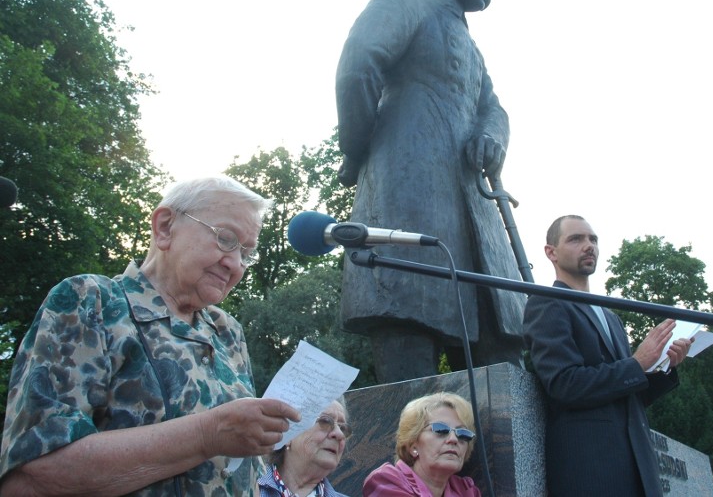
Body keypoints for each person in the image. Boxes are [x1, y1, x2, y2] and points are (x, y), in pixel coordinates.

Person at [0, 176, 301, 496]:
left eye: (247, 253)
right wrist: (209, 434)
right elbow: (31, 479)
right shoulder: (94, 301)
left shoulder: (227, 332)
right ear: (165, 227)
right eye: (226, 239)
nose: (235, 264)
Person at [335, 0, 525, 382]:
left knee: (502, 365)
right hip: (409, 199)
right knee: (408, 338)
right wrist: (358, 149)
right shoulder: (405, 0)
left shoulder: (474, 51)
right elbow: (358, 66)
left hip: (476, 221)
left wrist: (491, 135)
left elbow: (493, 108)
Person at [523, 214, 693, 496]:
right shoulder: (547, 304)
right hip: (592, 471)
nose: (588, 246)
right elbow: (565, 384)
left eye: (593, 239)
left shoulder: (611, 317)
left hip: (639, 470)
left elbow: (626, 396)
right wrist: (637, 363)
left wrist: (663, 366)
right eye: (576, 239)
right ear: (550, 252)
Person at [362, 392, 480, 497]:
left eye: (463, 433)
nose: (453, 439)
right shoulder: (386, 481)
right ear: (413, 445)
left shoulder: (466, 491)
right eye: (440, 429)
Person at [259, 399, 350, 497]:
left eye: (342, 428)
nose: (339, 434)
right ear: (287, 434)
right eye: (325, 421)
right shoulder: (246, 489)